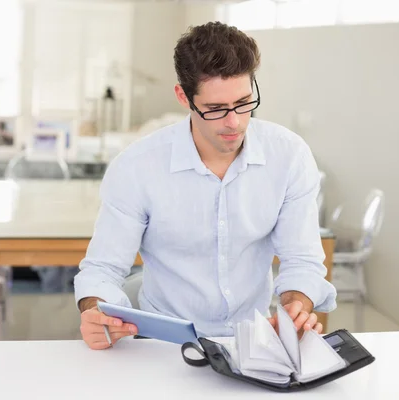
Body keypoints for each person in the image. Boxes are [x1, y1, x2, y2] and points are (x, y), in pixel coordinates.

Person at [74, 21, 336, 350]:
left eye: (244, 102)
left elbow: (302, 261)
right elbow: (103, 268)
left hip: (253, 343)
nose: (235, 122)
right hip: (163, 347)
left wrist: (296, 308)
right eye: (215, 109)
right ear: (184, 96)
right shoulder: (136, 167)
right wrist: (95, 311)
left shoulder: (289, 156)